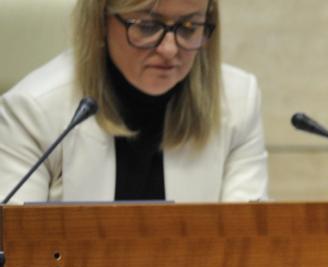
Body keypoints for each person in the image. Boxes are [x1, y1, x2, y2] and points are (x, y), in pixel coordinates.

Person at [0, 0, 267, 204]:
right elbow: (18, 260)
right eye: (148, 26)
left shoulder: (237, 101)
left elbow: (245, 247)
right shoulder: (32, 112)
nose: (170, 49)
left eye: (188, 28)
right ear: (101, 20)